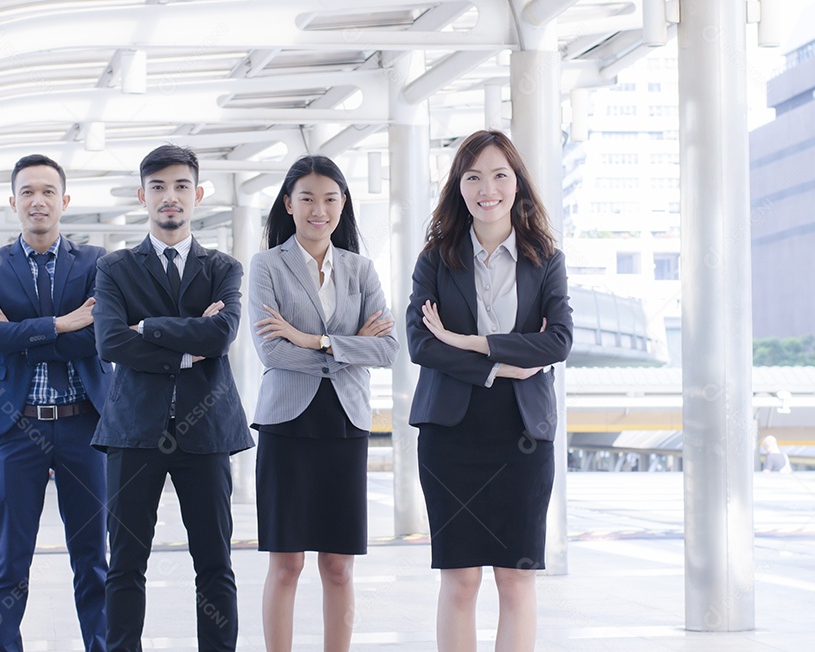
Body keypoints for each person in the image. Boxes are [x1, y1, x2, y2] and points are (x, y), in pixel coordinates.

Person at [406, 130, 573, 652]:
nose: (487, 188)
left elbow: (559, 341)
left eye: (500, 174)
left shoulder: (545, 257)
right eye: (473, 176)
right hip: (451, 434)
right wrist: (501, 365)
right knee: (461, 580)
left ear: (517, 183)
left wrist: (469, 341)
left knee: (516, 578)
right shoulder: (436, 258)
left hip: (523, 434)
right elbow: (419, 344)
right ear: (459, 186)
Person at [91, 145, 253, 651]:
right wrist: (186, 345)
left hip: (205, 433)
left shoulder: (223, 267)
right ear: (142, 196)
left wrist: (150, 329)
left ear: (198, 195)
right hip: (133, 432)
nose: (170, 197)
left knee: (214, 564)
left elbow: (220, 336)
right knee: (125, 564)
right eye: (158, 187)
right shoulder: (115, 268)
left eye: (181, 186)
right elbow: (110, 343)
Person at [248, 155, 399, 652]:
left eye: (330, 198)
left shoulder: (360, 269)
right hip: (287, 424)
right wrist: (348, 344)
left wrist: (315, 342)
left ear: (343, 203)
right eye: (308, 198)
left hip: (345, 423)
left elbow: (388, 349)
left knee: (338, 565)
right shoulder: (267, 265)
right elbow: (271, 349)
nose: (320, 209)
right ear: (288, 204)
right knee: (286, 563)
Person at [0, 154, 112, 652]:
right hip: (17, 429)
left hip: (85, 428)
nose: (38, 200)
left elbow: (98, 340)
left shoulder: (96, 263)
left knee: (93, 557)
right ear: (13, 202)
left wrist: (19, 332)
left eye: (48, 191)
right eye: (27, 191)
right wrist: (63, 323)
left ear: (64, 201)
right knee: (11, 560)